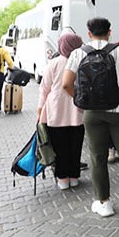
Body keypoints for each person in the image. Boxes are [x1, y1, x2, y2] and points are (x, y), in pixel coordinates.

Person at [62, 17, 119, 218]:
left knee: (97, 157)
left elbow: (66, 84)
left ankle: (104, 203)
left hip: (92, 114)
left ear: (89, 33)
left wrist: (81, 101)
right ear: (110, 32)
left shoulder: (77, 53)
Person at [38, 34, 85, 190]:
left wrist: (40, 110)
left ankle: (63, 179)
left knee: (60, 148)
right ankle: (74, 177)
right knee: (75, 146)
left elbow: (44, 89)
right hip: (77, 112)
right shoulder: (82, 62)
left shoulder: (54, 64)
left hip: (56, 112)